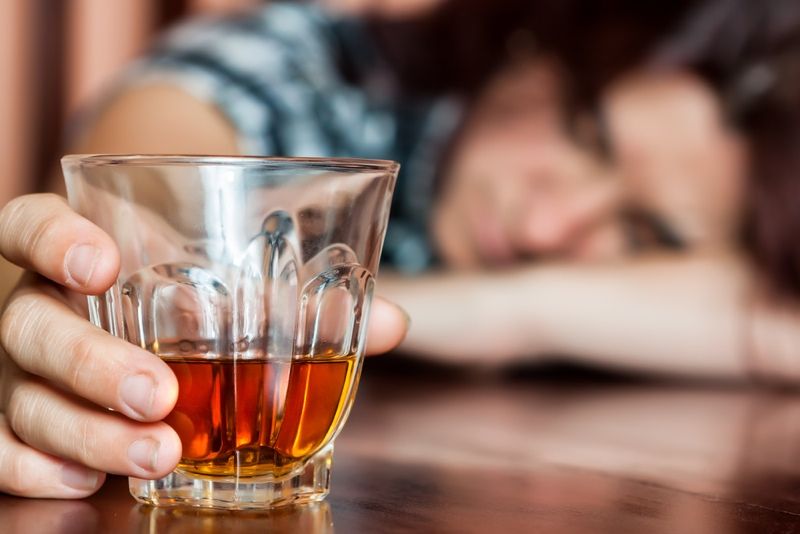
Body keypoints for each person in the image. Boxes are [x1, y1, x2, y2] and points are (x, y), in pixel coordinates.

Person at [0, 0, 798, 499]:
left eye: (645, 234)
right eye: (587, 139)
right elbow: (151, 198)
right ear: (536, 42)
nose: (553, 229)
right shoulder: (302, 73)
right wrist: (75, 305)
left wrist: (511, 313)